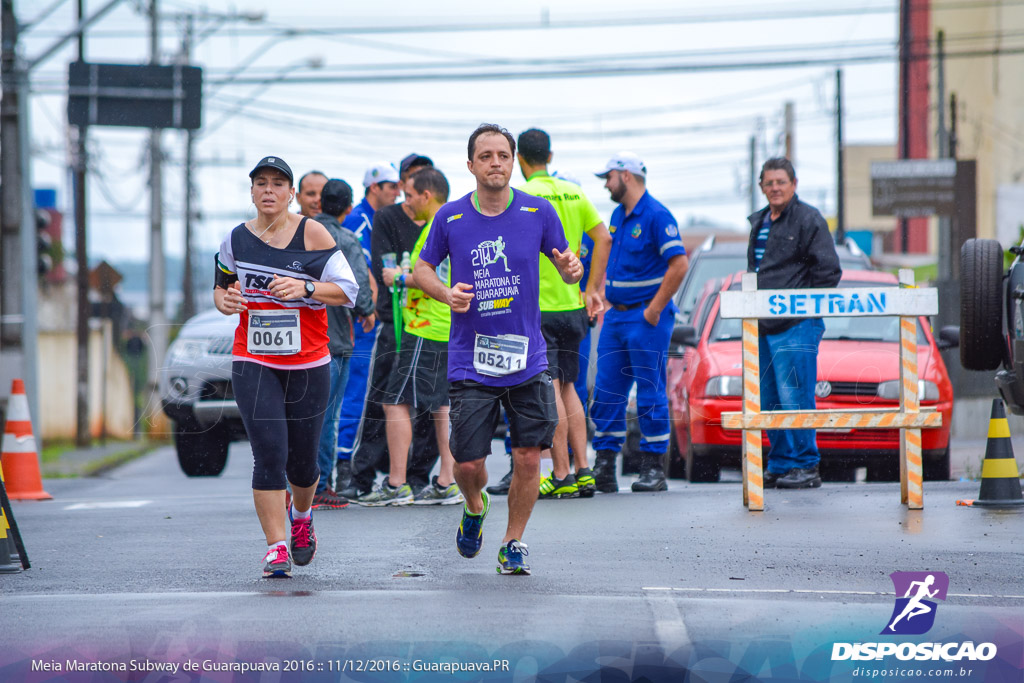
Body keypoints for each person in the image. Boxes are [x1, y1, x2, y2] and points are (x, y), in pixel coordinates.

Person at [415, 124, 582, 575]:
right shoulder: (450, 217)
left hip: (527, 356)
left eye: (503, 155)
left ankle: (513, 542)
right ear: (470, 165)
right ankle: (474, 505)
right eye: (485, 156)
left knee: (529, 455)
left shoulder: (538, 211)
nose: (495, 163)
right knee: (468, 463)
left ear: (513, 162)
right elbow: (422, 267)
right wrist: (445, 293)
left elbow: (568, 268)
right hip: (471, 358)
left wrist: (571, 268)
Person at [213, 156, 359, 578]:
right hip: (253, 359)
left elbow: (348, 290)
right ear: (253, 192)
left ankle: (302, 514)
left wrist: (307, 286)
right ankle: (276, 547)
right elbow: (222, 288)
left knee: (302, 462)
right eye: (261, 183)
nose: (269, 190)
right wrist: (223, 301)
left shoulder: (311, 233)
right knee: (269, 454)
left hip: (309, 361)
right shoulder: (236, 240)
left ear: (291, 193)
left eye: (278, 184)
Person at [358, 168, 462, 506]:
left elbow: (431, 276)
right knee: (441, 405)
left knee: (394, 402)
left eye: (411, 196)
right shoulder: (455, 221)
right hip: (441, 326)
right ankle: (447, 480)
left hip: (425, 326)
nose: (407, 203)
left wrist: (399, 278)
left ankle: (397, 483)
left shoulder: (437, 225)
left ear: (427, 196)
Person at [340, 154, 442, 500]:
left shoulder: (442, 222)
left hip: (430, 326)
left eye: (418, 186)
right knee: (382, 399)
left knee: (431, 405)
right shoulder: (388, 217)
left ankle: (415, 477)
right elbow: (384, 270)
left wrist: (406, 277)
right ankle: (363, 475)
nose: (409, 196)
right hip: (394, 320)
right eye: (407, 185)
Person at [516, 129, 610, 500]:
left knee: (549, 388)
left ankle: (560, 473)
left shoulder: (526, 197)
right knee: (570, 387)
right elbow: (603, 238)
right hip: (573, 305)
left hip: (540, 307)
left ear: (520, 159)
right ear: (549, 156)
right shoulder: (574, 192)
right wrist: (593, 289)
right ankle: (583, 469)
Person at [590, 152, 689, 493]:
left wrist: (654, 310)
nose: (606, 184)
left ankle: (652, 466)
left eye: (609, 177)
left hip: (646, 316)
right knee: (606, 392)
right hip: (617, 315)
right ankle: (605, 464)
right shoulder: (618, 214)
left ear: (626, 176)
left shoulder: (657, 215)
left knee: (649, 391)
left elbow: (679, 265)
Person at [747, 157, 841, 490]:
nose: (774, 188)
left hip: (797, 324)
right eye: (768, 183)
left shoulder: (809, 219)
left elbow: (829, 272)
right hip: (763, 323)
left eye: (780, 182)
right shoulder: (759, 222)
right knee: (770, 397)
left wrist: (803, 309)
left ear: (794, 184)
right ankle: (783, 462)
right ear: (761, 187)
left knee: (796, 396)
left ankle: (806, 465)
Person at [332, 163, 399, 490]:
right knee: (354, 391)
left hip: (365, 318)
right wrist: (366, 306)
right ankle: (346, 462)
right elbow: (355, 272)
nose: (397, 192)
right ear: (374, 187)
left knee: (360, 390)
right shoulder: (358, 221)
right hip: (358, 319)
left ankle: (352, 461)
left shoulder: (378, 220)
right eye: (391, 186)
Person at [312, 178, 376, 509]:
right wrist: (367, 311)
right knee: (327, 415)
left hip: (299, 340)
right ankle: (321, 483)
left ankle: (289, 482)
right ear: (349, 208)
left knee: (299, 413)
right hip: (333, 340)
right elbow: (359, 288)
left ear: (319, 203)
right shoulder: (346, 239)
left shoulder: (302, 233)